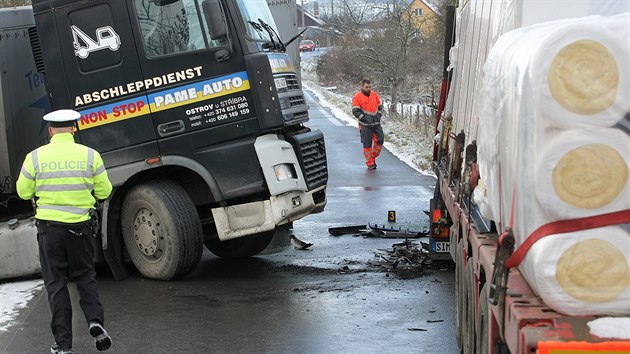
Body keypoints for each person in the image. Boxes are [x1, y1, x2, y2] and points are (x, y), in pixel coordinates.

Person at [16, 109, 113, 354]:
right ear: (73, 129)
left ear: (50, 131)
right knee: (85, 277)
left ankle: (63, 345)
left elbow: (23, 192)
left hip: (50, 231)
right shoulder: (91, 156)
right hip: (80, 230)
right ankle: (95, 322)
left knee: (56, 284)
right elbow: (104, 191)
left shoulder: (35, 157)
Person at [352, 79, 384, 169]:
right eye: (366, 87)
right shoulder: (357, 97)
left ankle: (372, 157)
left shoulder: (374, 95)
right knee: (367, 144)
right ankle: (370, 163)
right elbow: (355, 111)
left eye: (370, 87)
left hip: (376, 123)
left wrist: (379, 115)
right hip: (365, 125)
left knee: (380, 140)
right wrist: (364, 119)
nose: (368, 89)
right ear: (362, 86)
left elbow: (380, 106)